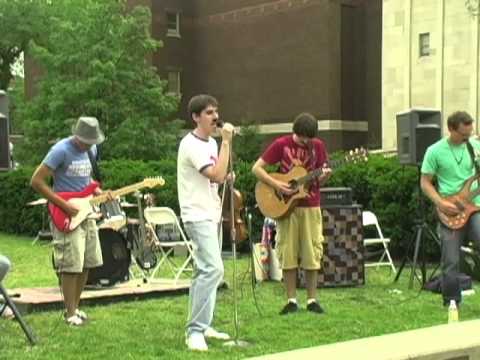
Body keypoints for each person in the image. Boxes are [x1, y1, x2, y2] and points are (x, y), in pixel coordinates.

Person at [252, 112, 332, 315]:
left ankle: (312, 300)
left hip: (311, 205)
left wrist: (324, 177)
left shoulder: (318, 147)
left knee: (312, 252)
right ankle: (291, 300)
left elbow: (318, 181)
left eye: (308, 137)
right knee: (287, 252)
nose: (305, 141)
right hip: (286, 208)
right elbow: (257, 169)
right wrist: (276, 183)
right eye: (301, 136)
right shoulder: (281, 144)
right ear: (295, 131)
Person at [31, 116, 107, 326]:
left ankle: (76, 306)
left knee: (87, 261)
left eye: (92, 142)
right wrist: (64, 205)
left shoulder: (91, 151)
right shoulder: (60, 150)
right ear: (77, 136)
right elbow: (36, 181)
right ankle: (69, 312)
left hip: (87, 211)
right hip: (65, 212)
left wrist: (99, 191)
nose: (89, 146)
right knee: (70, 264)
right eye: (86, 142)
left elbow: (87, 180)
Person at [177, 94, 234, 351]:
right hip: (197, 215)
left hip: (211, 212)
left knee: (204, 272)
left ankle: (204, 324)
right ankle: (195, 331)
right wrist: (226, 144)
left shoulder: (211, 143)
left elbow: (217, 177)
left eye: (216, 111)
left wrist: (225, 175)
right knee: (214, 270)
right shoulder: (191, 145)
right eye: (209, 113)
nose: (215, 117)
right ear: (196, 117)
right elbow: (216, 173)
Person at [421, 111, 480, 304]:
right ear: (451, 129)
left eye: (470, 133)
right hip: (450, 210)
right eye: (464, 134)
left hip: (475, 208)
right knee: (451, 260)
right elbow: (425, 182)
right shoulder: (434, 151)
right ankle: (452, 301)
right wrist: (440, 202)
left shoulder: (475, 147)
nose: (467, 137)